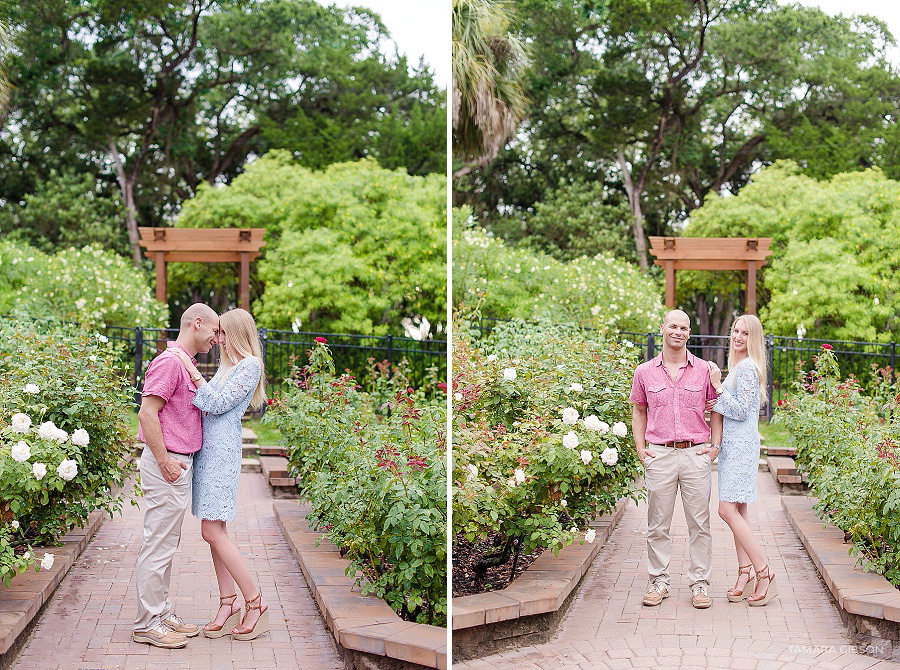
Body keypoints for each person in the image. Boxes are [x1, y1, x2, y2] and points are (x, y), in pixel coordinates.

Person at [168, 308, 269, 639]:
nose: (218, 338)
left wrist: (191, 370)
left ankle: (254, 601)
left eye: (223, 333)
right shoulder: (228, 366)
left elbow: (216, 403)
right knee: (214, 531)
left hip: (222, 456)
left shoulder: (250, 366)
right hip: (206, 454)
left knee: (211, 531)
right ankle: (228, 602)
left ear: (237, 333)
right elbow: (202, 401)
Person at [133, 303, 220, 648]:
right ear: (196, 323)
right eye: (213, 330)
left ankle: (160, 613)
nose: (216, 337)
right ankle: (146, 624)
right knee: (157, 544)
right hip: (167, 465)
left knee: (166, 545)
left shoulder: (184, 364)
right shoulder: (170, 363)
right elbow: (146, 414)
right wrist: (165, 461)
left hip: (176, 464)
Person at [629, 310, 721, 609]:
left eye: (684, 327)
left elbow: (716, 409)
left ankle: (700, 585)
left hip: (695, 454)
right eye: (673, 326)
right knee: (658, 524)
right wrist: (641, 449)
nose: (678, 332)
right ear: (662, 329)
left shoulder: (705, 369)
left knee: (700, 524)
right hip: (660, 454)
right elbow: (639, 411)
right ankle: (658, 581)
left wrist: (715, 447)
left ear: (689, 333)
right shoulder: (644, 372)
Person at [708, 314, 777, 606]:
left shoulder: (747, 368)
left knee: (726, 510)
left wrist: (718, 388)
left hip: (740, 448)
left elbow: (743, 411)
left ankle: (764, 571)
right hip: (733, 447)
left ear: (753, 339)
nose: (738, 337)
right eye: (735, 330)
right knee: (738, 510)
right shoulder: (737, 367)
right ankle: (744, 571)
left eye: (745, 333)